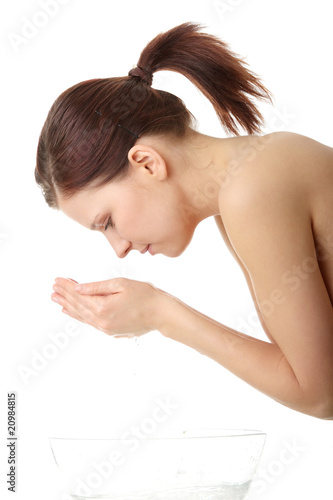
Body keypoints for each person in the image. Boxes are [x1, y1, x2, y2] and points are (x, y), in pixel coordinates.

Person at [35, 22, 333, 419]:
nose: (119, 247)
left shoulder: (251, 189)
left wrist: (161, 313)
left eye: (107, 222)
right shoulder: (242, 189)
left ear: (146, 163)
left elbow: (320, 393)